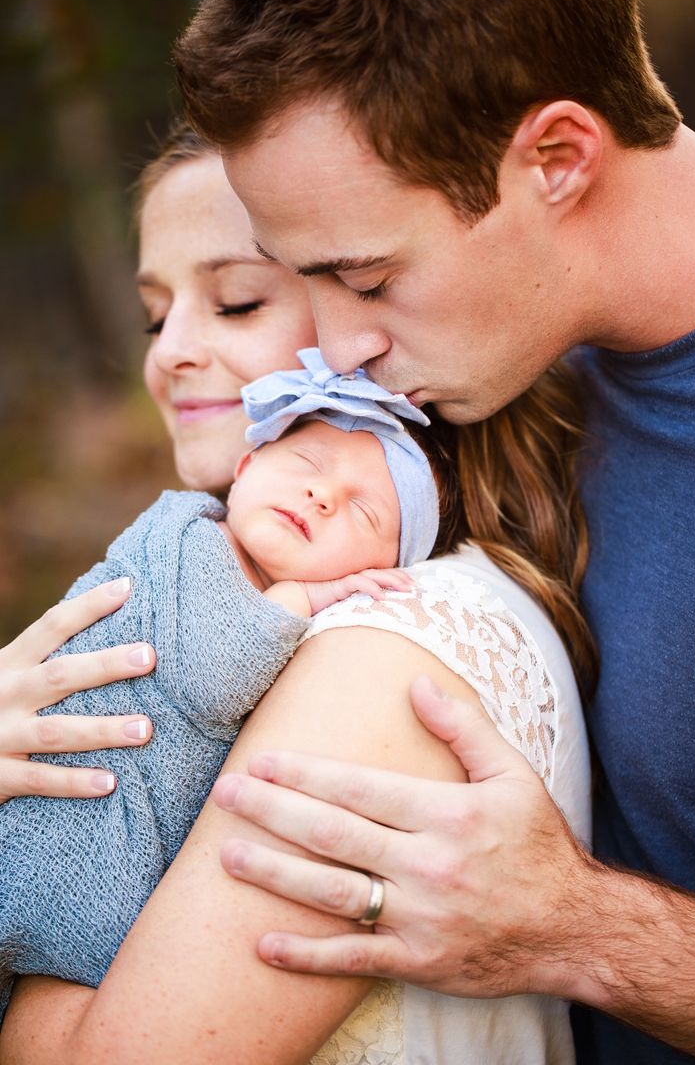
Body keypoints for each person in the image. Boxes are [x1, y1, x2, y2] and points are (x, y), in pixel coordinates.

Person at [171, 0, 695, 1064]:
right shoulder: (500, 367)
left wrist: (586, 932)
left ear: (559, 160)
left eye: (371, 280)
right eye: (299, 282)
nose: (338, 354)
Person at [0, 125, 592, 1062]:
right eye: (155, 317)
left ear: (364, 304)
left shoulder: (382, 646)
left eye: (237, 302)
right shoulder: (202, 586)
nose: (174, 354)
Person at [0, 351, 454, 1020]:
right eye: (306, 464)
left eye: (363, 514)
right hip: (54, 831)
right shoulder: (191, 541)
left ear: (385, 569)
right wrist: (303, 596)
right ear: (243, 471)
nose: (322, 496)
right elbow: (215, 679)